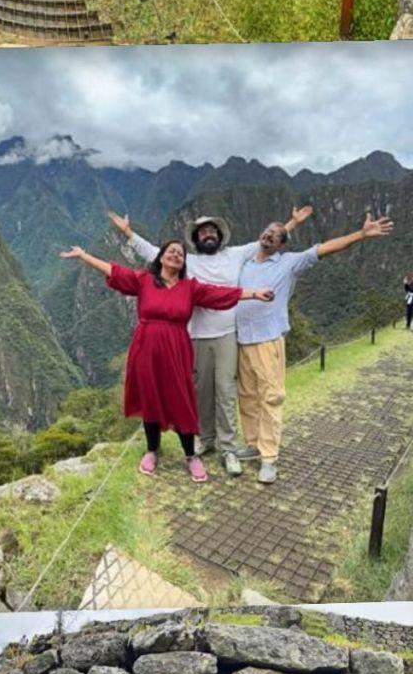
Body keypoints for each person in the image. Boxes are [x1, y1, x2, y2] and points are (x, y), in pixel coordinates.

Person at [110, 207, 311, 476]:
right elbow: (152, 253)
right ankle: (206, 440)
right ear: (196, 237)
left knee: (226, 391)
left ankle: (228, 447)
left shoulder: (236, 254)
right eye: (202, 231)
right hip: (195, 336)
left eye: (211, 231)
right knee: (200, 391)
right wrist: (127, 232)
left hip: (227, 333)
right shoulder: (187, 262)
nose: (207, 234)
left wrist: (293, 223)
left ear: (219, 235)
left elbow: (267, 240)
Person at [61, 241, 274, 481]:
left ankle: (191, 455)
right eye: (171, 251)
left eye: (180, 254)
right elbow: (115, 271)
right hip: (146, 348)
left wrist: (254, 293)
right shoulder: (144, 281)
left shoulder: (189, 288)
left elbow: (220, 294)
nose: (175, 255)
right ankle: (152, 450)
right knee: (150, 397)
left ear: (183, 263)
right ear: (161, 257)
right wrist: (84, 255)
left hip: (176, 348)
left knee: (181, 397)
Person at [235, 213, 395, 483]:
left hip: (268, 340)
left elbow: (325, 248)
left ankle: (269, 457)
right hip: (242, 340)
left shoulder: (289, 263)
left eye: (275, 234)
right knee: (247, 396)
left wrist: (361, 234)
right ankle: (253, 444)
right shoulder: (245, 263)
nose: (269, 235)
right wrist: (291, 222)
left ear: (281, 244)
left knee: (271, 396)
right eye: (267, 230)